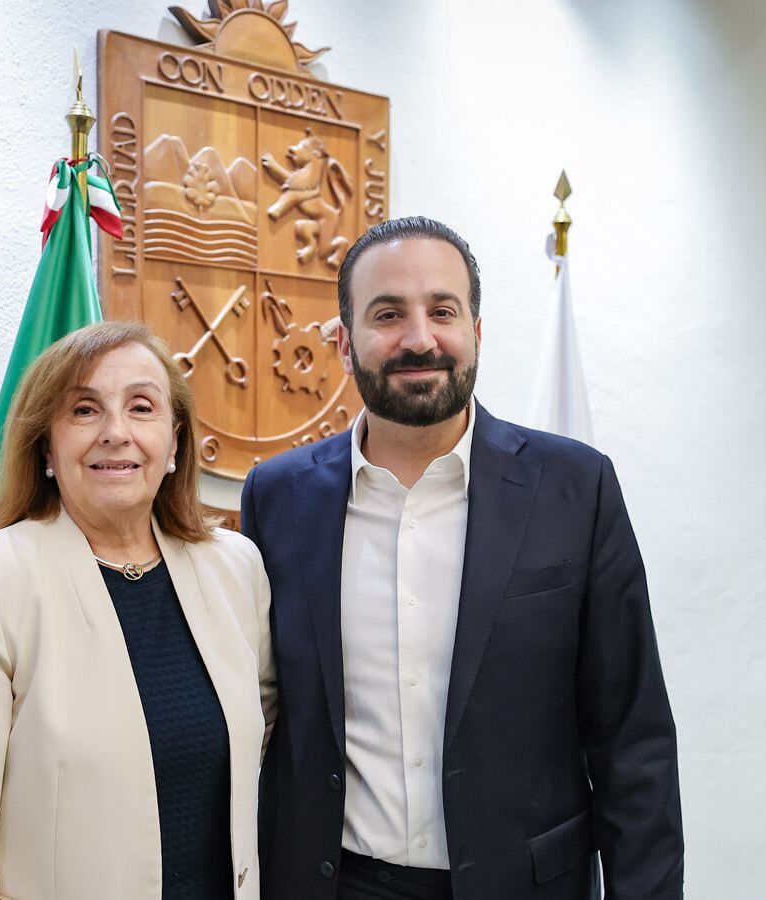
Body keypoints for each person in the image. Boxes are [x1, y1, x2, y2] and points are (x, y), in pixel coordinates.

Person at [241, 217, 683, 900]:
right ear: (343, 341)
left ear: (475, 332)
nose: (419, 338)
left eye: (442, 310)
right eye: (387, 314)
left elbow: (633, 740)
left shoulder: (575, 489)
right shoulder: (278, 498)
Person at [0, 321, 275, 900]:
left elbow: (263, 727)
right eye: (83, 410)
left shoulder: (235, 568)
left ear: (174, 442)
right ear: (46, 447)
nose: (115, 433)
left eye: (142, 407)